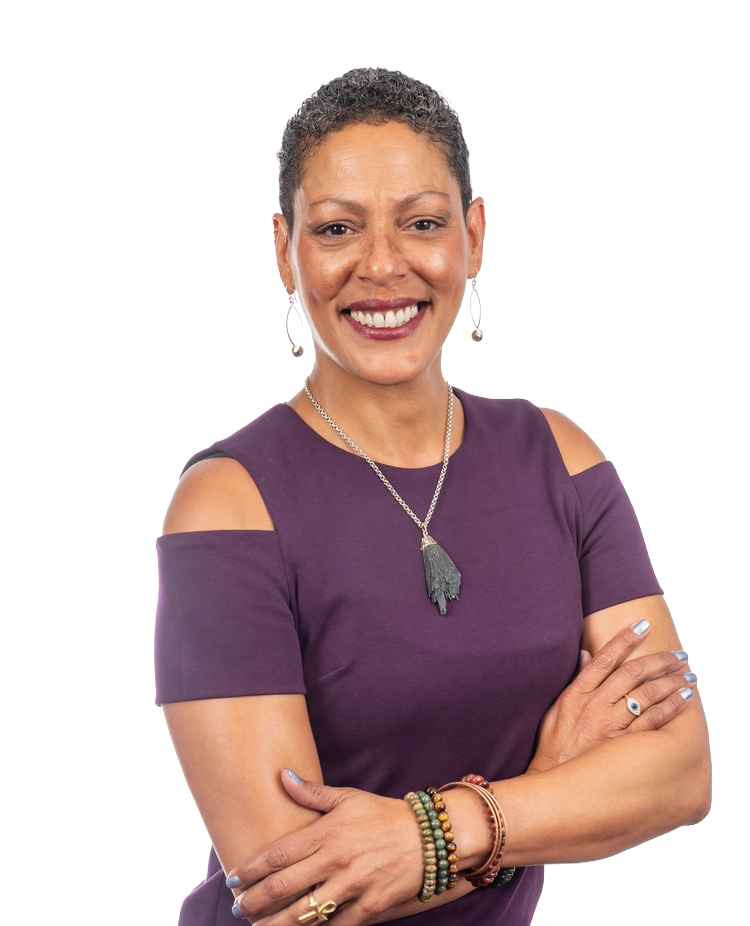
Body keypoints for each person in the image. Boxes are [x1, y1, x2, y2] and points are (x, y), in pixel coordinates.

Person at [155, 66, 711, 926]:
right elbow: (292, 895)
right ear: (283, 250)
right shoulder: (226, 505)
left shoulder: (560, 457)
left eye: (422, 222)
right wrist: (537, 798)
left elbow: (679, 773)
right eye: (338, 228)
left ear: (475, 234)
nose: (383, 266)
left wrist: (430, 833)